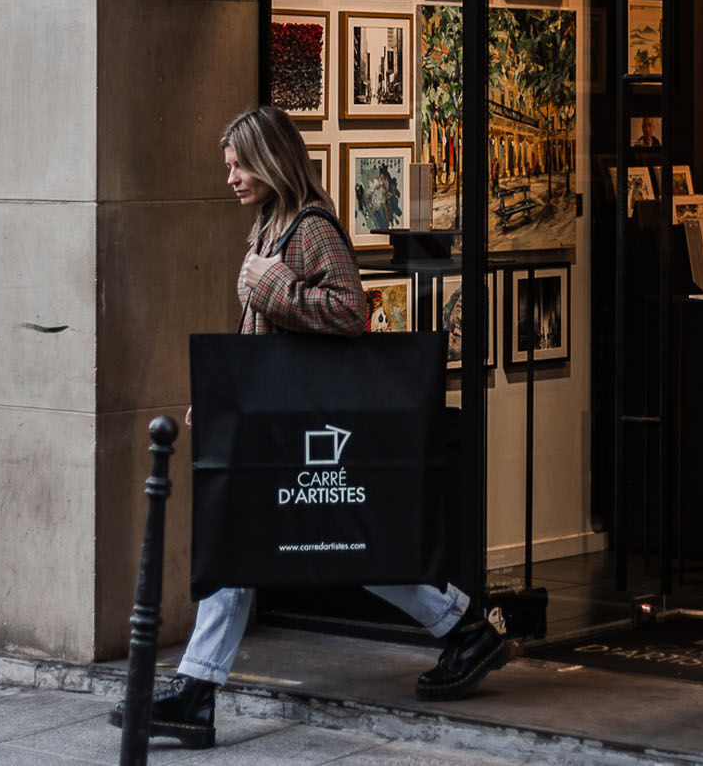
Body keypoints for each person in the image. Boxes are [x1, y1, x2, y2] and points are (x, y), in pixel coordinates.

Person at [109, 107, 505, 749]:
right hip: (273, 421)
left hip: (301, 425)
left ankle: (196, 695)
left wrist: (275, 287)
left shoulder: (311, 228)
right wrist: (219, 397)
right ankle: (462, 631)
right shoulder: (269, 223)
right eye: (228, 165)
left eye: (239, 164)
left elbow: (351, 313)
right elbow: (259, 335)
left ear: (271, 162)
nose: (231, 176)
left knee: (327, 541)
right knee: (309, 541)